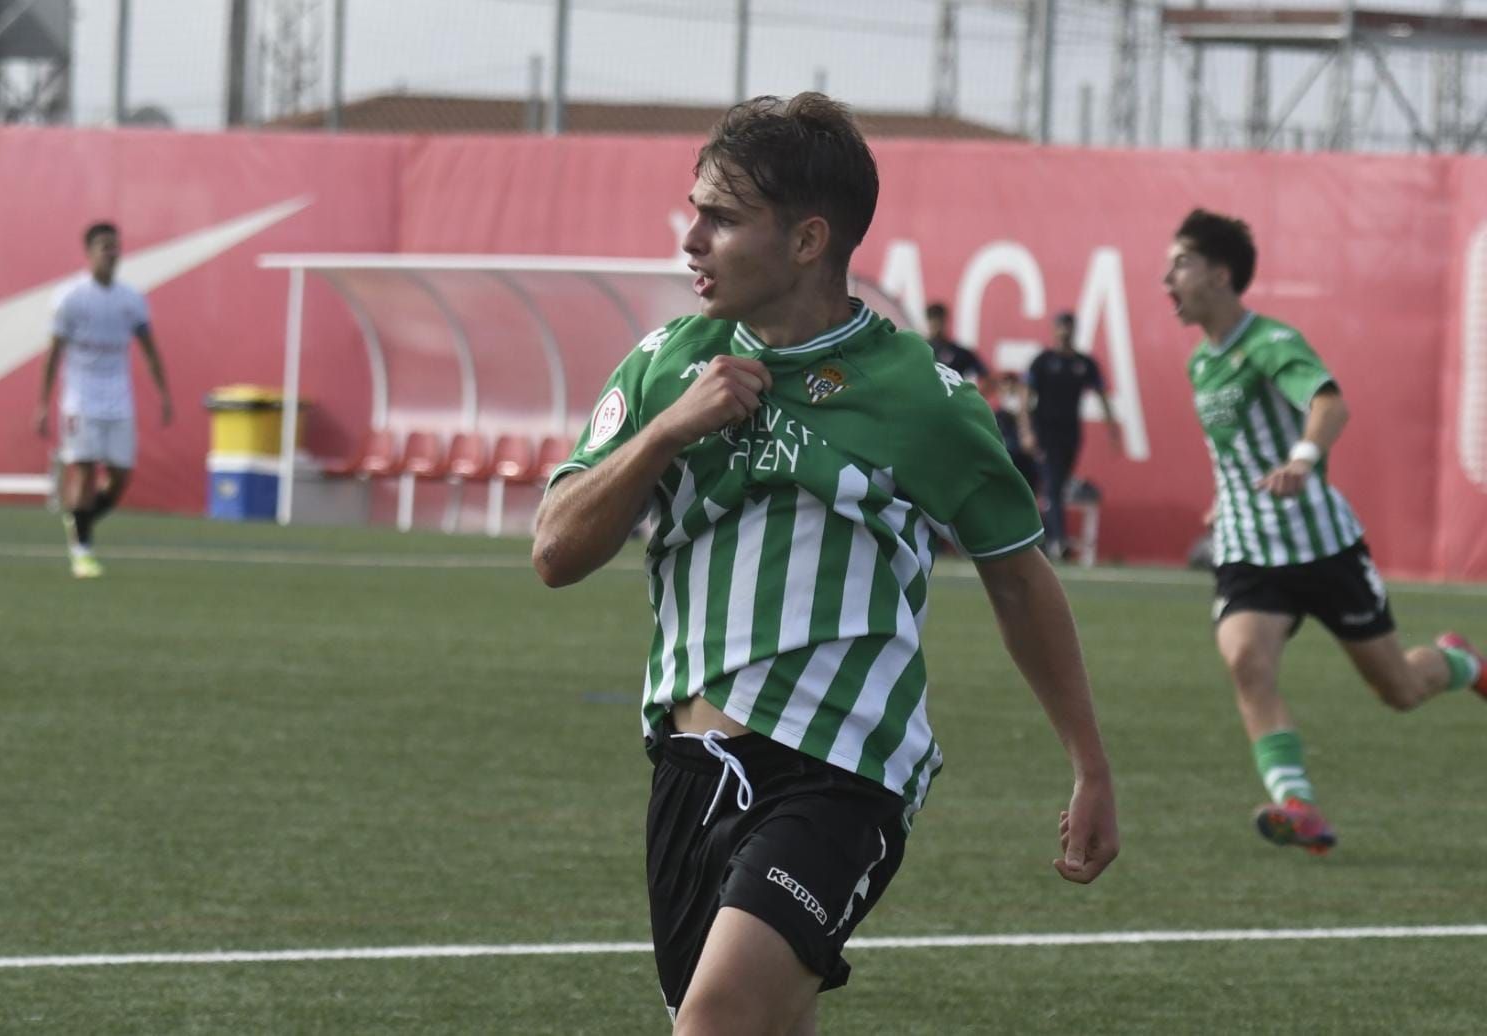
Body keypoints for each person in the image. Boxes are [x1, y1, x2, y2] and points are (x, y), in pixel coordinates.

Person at [533, 93, 1117, 1035]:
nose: (692, 240)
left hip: (838, 769)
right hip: (687, 768)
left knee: (716, 1018)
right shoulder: (665, 366)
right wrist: (668, 431)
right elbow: (556, 551)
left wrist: (1090, 766)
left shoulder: (918, 398)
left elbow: (1018, 577)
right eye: (695, 211)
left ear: (808, 240)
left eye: (722, 218)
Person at [1163, 208, 1487, 855]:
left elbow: (1329, 403)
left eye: (1181, 264)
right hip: (1250, 553)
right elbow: (1235, 452)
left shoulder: (1270, 343)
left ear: (1220, 274)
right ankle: (1299, 806)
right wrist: (1224, 500)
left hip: (1322, 547)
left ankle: (1461, 662)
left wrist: (1303, 460)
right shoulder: (1201, 363)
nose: (1167, 279)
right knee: (1246, 661)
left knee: (1398, 689)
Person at [34, 221, 172, 579]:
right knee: (82, 469)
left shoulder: (131, 300)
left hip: (119, 399)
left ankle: (79, 520)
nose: (112, 252)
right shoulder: (69, 297)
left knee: (120, 476)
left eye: (115, 246)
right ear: (89, 252)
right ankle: (82, 552)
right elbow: (53, 354)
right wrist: (43, 403)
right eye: (104, 246)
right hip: (80, 398)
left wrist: (164, 393)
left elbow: (150, 350)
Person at [1018, 311, 1121, 561]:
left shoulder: (1084, 364)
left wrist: (1112, 429)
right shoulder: (1043, 361)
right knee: (1052, 485)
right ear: (1054, 330)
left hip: (1071, 433)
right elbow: (1025, 396)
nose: (1065, 332)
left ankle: (1048, 538)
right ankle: (1058, 541)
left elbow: (1102, 395)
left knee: (1059, 486)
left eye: (1069, 327)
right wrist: (1026, 430)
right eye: (1061, 327)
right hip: (1045, 432)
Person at [925, 302, 990, 393]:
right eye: (933, 321)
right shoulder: (919, 351)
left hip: (952, 400)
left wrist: (971, 399)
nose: (936, 326)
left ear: (944, 321)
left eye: (939, 321)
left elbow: (987, 378)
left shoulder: (959, 353)